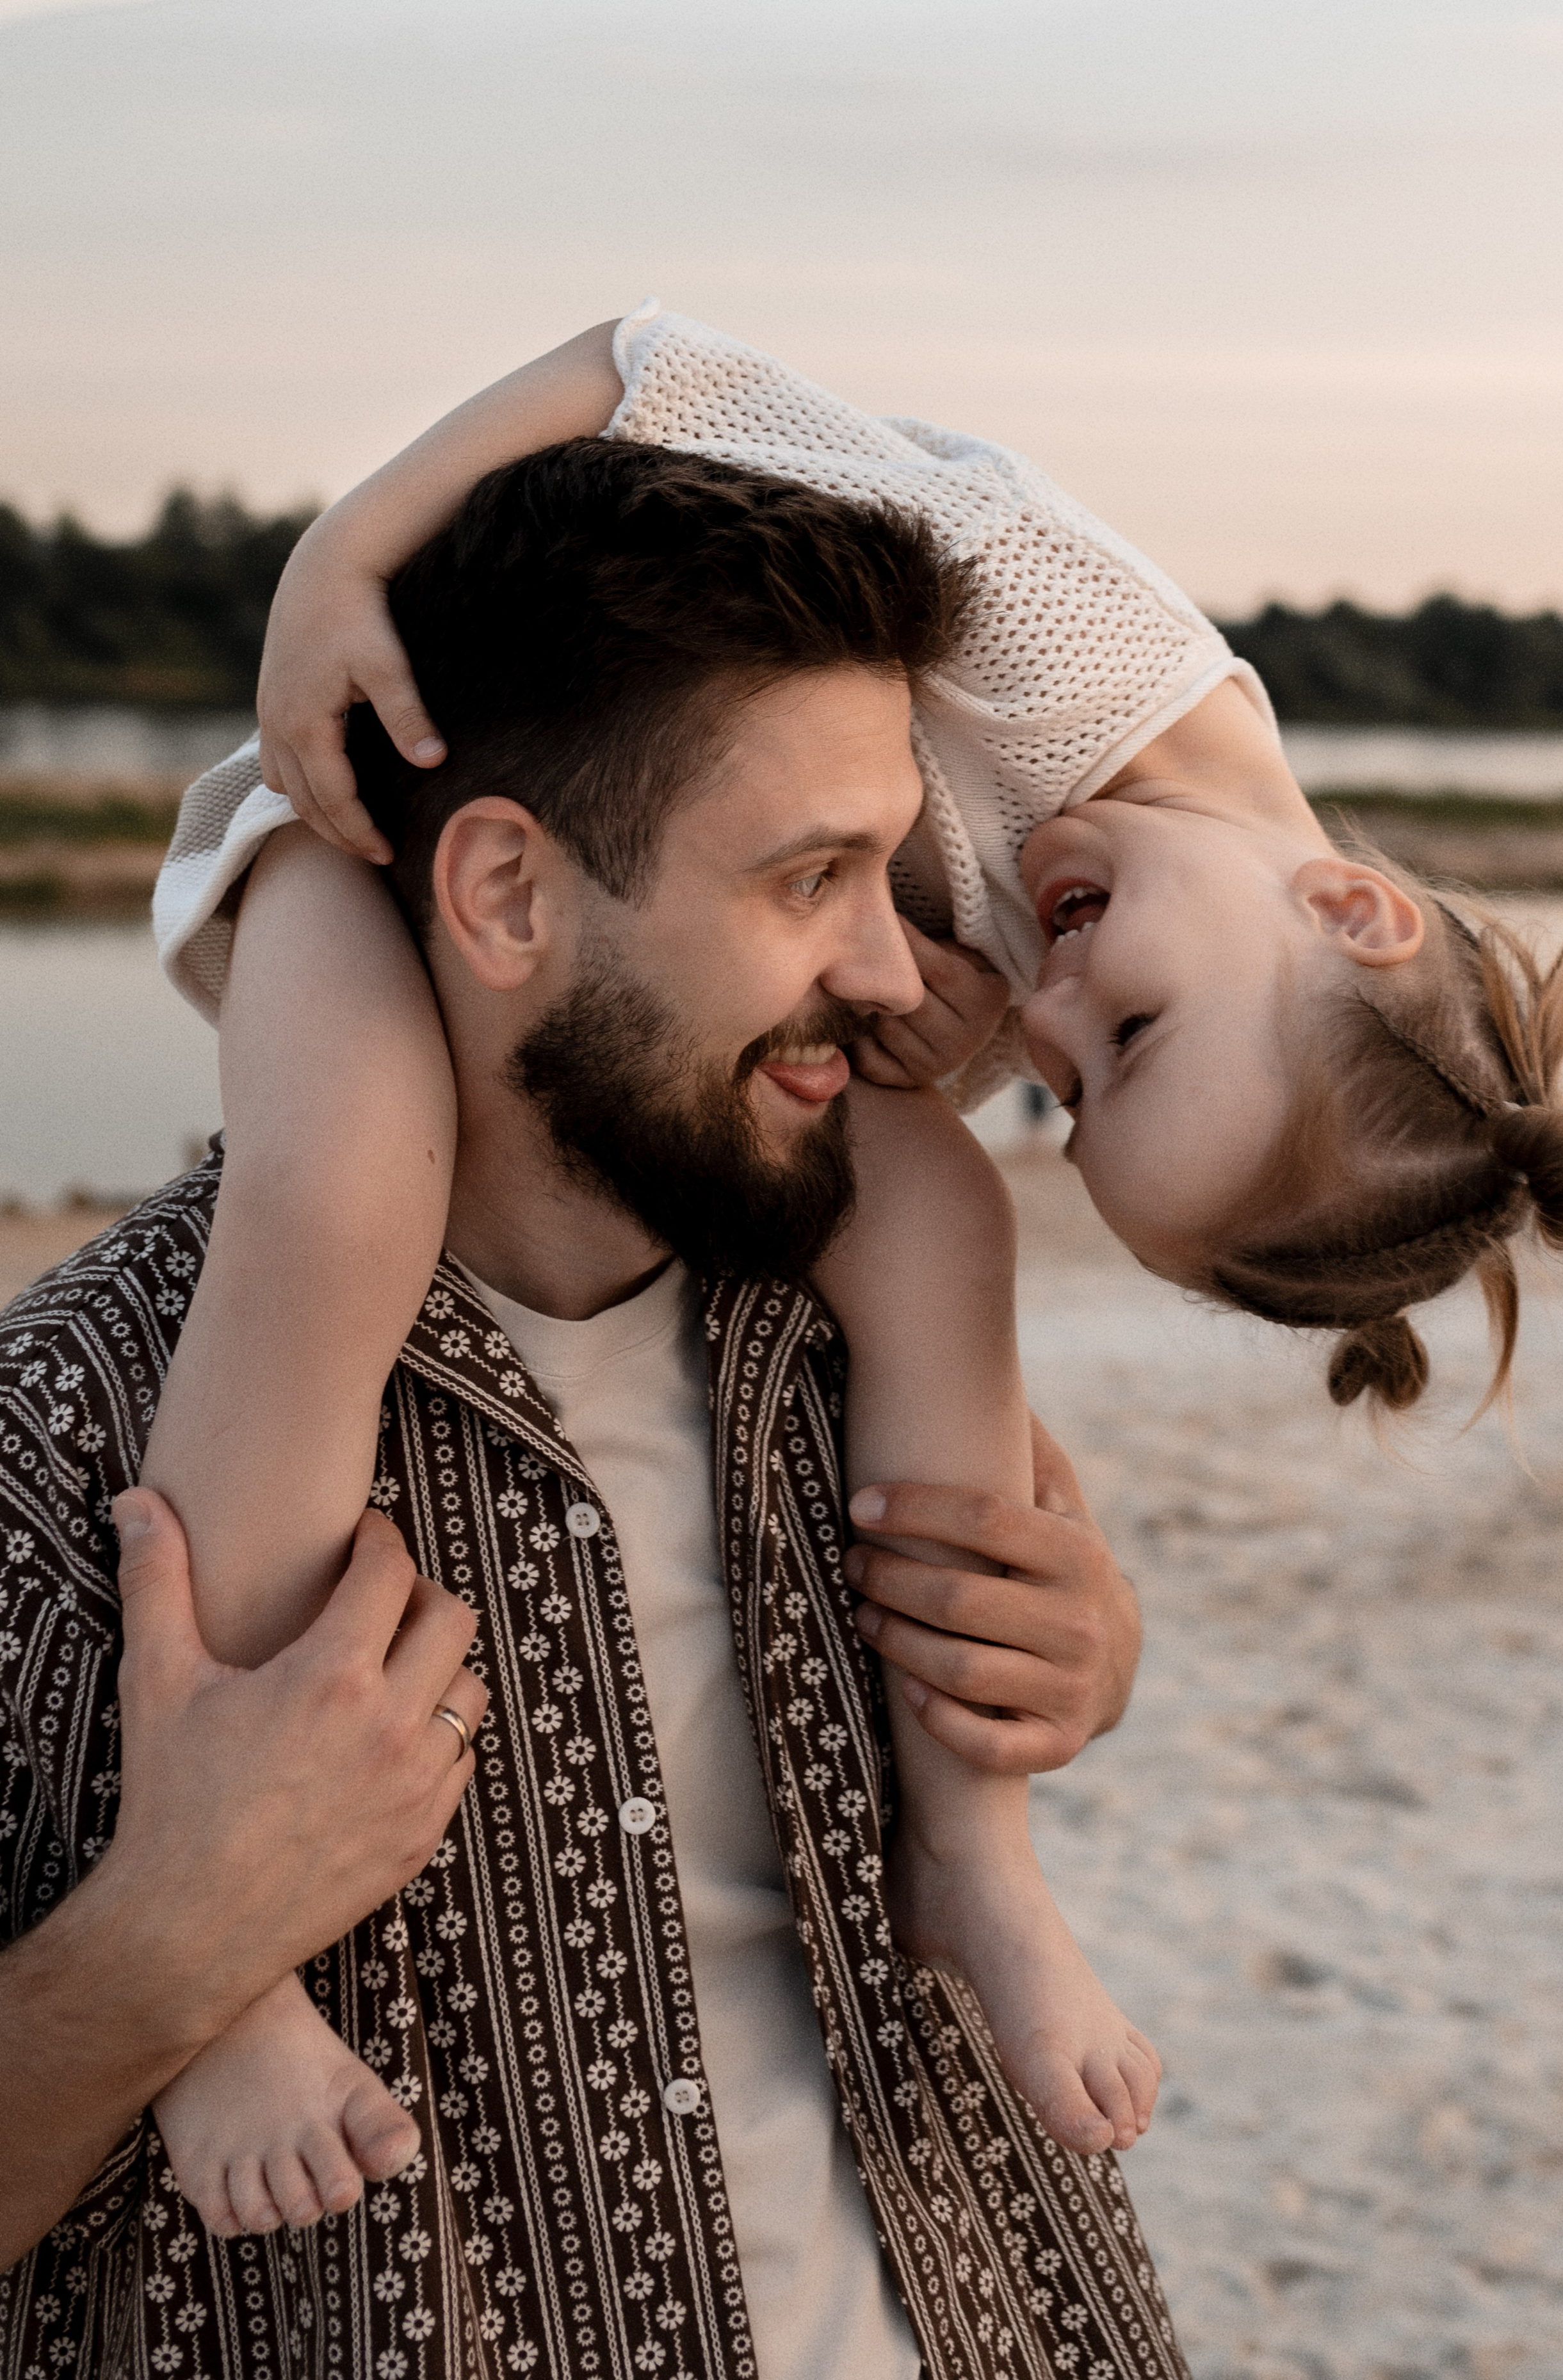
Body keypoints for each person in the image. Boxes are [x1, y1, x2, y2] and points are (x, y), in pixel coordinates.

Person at [152, 303, 1563, 2253]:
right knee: (340, 1196)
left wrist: (949, 1035)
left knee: (944, 1224)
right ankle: (219, 1975)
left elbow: (878, 957)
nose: (1055, 1017)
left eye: (1070, 1089)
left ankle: (974, 1855)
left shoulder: (1132, 901)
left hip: (628, 911)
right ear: (1347, 908)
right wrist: (339, 559)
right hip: (371, 795)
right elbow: (646, 359)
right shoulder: (1071, 632)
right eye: (1129, 1031)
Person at [0, 440, 1184, 2380]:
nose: (890, 971)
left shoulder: (853, 1333)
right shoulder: (61, 1439)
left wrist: (1064, 1670)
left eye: (884, 872)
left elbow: (1009, 1659)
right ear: (503, 893)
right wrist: (163, 1955)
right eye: (807, 880)